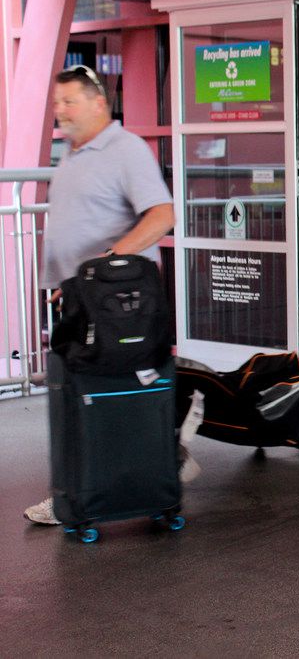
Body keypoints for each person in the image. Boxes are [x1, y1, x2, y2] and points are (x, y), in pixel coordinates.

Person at [23, 65, 182, 525]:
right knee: (75, 394)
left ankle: (116, 485)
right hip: (75, 299)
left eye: (69, 102)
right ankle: (77, 491)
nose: (61, 111)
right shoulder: (74, 153)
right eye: (57, 103)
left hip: (110, 307)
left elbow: (161, 215)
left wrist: (105, 263)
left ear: (98, 103)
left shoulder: (125, 150)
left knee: (106, 393)